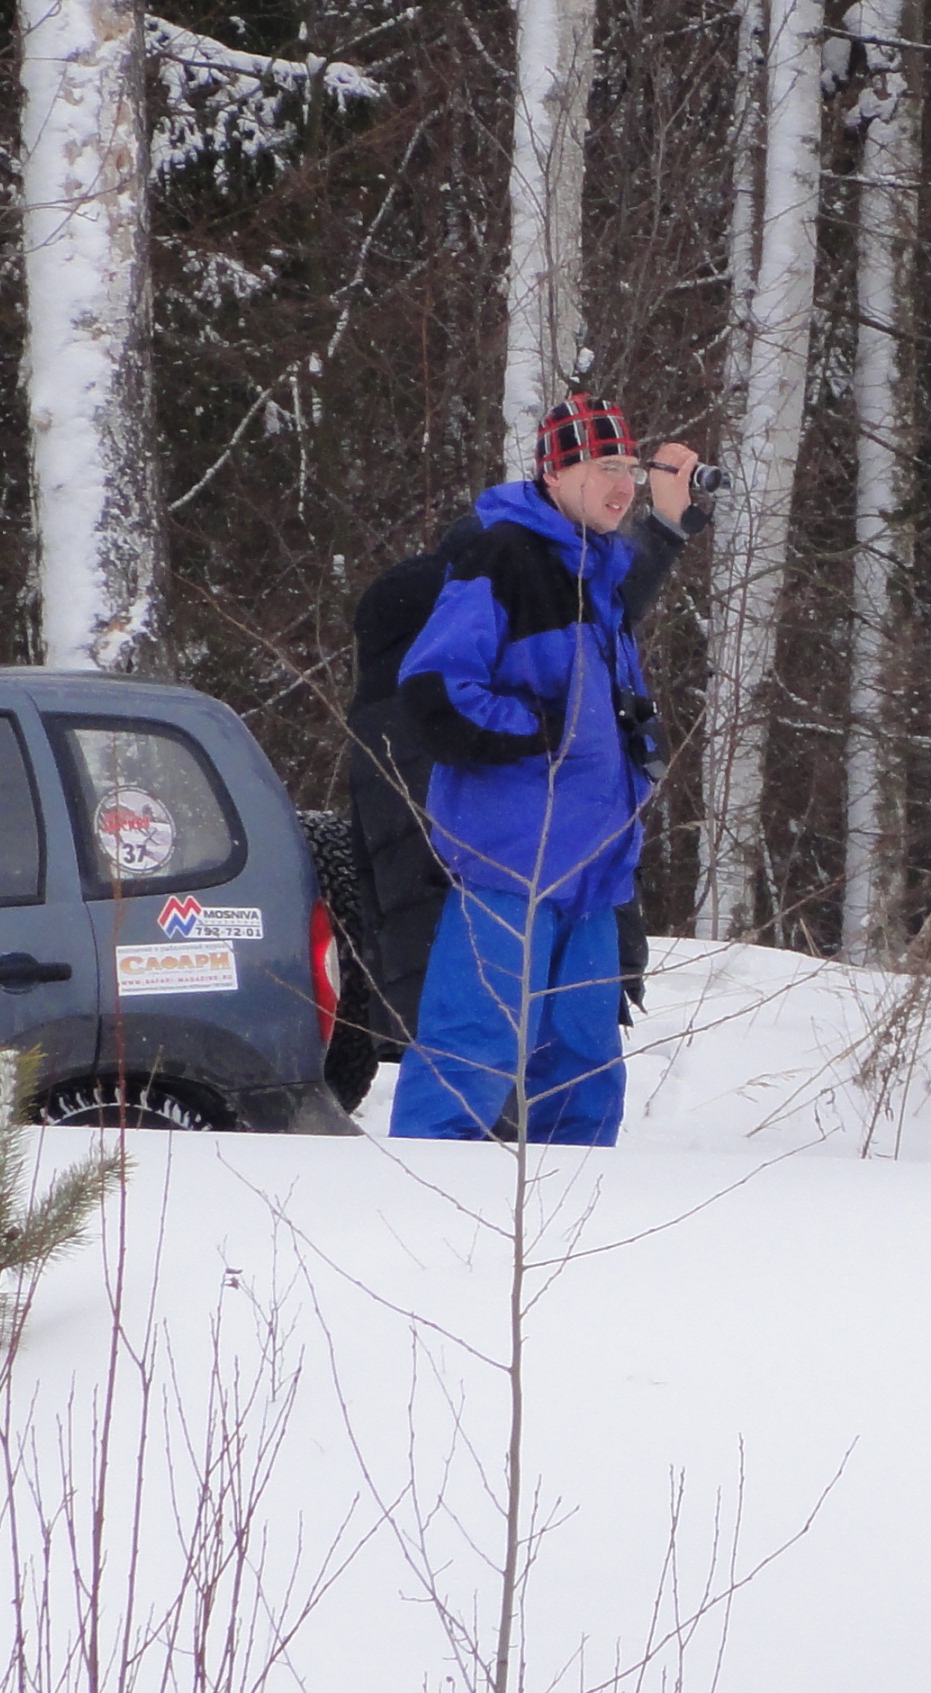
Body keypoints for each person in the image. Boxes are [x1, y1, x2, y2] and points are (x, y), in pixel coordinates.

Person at [390, 395, 705, 1144]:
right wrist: (542, 729)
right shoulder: (503, 556)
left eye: (628, 469)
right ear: (554, 473)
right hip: (511, 865)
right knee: (473, 1052)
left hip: (593, 872)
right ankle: (417, 1198)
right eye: (604, 468)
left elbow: (630, 594)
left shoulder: (593, 566)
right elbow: (434, 689)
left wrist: (670, 523)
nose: (622, 486)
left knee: (585, 1065)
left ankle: (576, 1206)